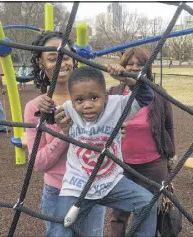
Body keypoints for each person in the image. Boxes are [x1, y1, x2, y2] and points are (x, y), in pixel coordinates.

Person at [52, 66, 157, 237]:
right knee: (60, 230)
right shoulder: (68, 109)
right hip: (77, 184)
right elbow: (48, 113)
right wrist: (46, 107)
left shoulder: (118, 105)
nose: (87, 105)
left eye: (94, 98)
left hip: (111, 182)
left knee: (147, 203)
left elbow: (146, 96)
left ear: (106, 96)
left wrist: (127, 79)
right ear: (72, 100)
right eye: (79, 100)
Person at [24, 31, 105, 237]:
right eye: (52, 58)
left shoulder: (93, 100)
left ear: (74, 60)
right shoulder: (36, 108)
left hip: (92, 189)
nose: (61, 62)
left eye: (66, 56)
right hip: (57, 192)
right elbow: (38, 163)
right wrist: (63, 132)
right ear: (42, 64)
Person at [107, 47, 176, 237]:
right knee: (119, 213)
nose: (135, 67)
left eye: (140, 64)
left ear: (149, 67)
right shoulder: (113, 93)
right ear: (123, 66)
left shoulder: (158, 93)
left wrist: (170, 155)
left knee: (148, 211)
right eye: (130, 63)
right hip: (122, 163)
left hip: (153, 164)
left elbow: (168, 125)